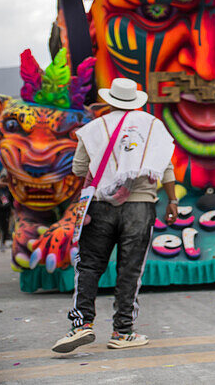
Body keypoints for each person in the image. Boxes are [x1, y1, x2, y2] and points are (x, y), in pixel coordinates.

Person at [53, 78, 177, 353]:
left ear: (109, 101)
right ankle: (122, 332)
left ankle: (82, 324)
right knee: (130, 269)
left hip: (100, 206)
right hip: (140, 206)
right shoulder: (153, 127)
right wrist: (173, 200)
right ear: (136, 101)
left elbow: (78, 169)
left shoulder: (93, 129)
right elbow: (165, 166)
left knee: (89, 266)